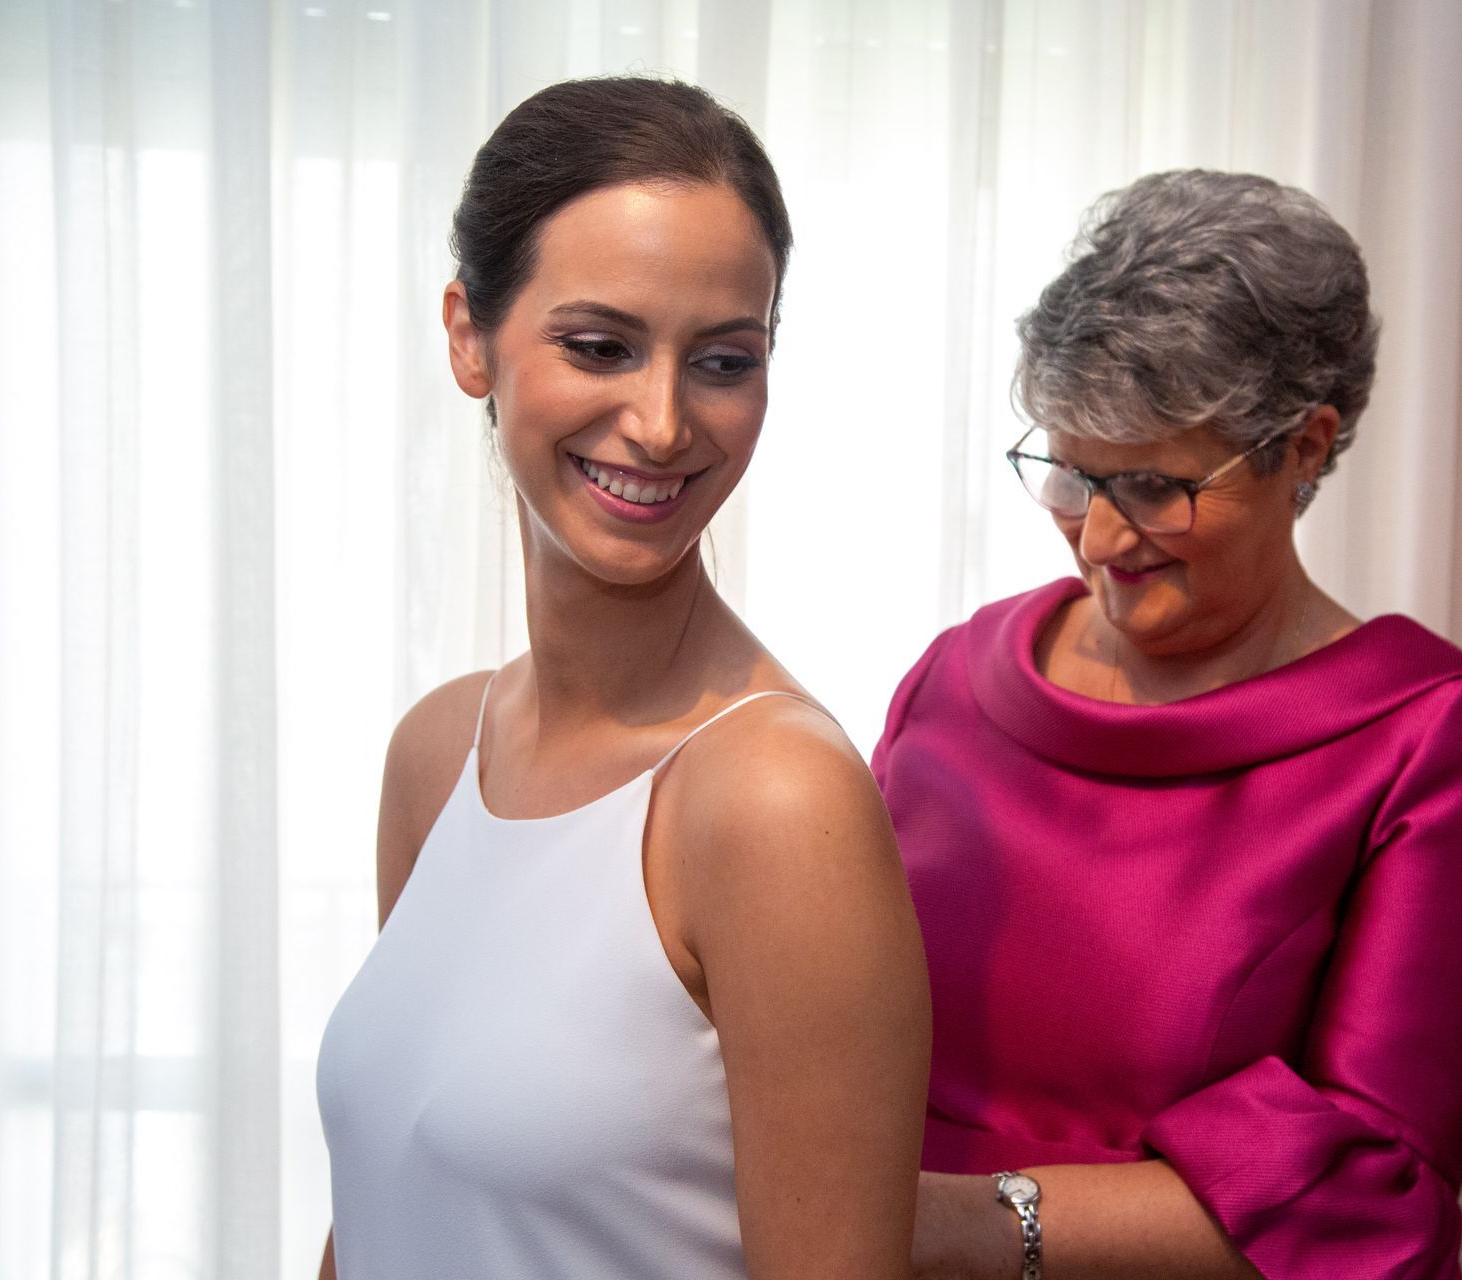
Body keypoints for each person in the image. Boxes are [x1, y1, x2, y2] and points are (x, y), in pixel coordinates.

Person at [873, 170, 1462, 1279]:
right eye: (1070, 473)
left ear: (1306, 446)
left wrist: (951, 1227)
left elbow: (1372, 1188)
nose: (1097, 539)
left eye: (1153, 485)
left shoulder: (1432, 746)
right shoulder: (958, 679)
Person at [315, 77, 930, 1280]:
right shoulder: (437, 752)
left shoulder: (776, 801)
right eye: (601, 346)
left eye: (723, 360)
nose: (661, 423)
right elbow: (393, 1198)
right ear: (469, 336)